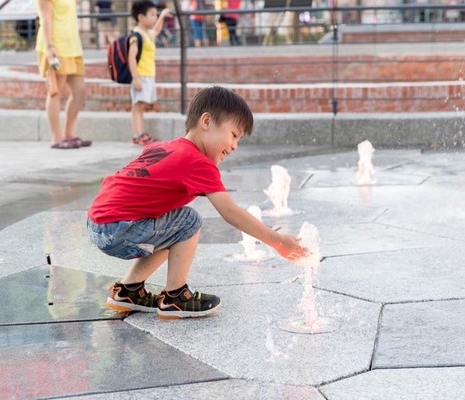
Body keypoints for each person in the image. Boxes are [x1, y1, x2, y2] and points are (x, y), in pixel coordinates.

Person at [87, 86, 308, 319]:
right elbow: (230, 212)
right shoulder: (197, 162)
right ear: (206, 122)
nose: (234, 146)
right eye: (233, 135)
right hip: (119, 228)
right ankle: (176, 297)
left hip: (98, 224)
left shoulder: (165, 147)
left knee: (173, 225)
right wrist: (277, 241)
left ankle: (129, 290)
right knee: (187, 221)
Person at [35, 0, 91, 149]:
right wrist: (49, 47)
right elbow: (46, 18)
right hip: (56, 46)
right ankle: (56, 138)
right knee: (55, 91)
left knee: (79, 90)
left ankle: (68, 134)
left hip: (73, 46)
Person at [128, 1, 172, 145]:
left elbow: (157, 30)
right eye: (152, 15)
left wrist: (163, 16)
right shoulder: (137, 35)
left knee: (141, 105)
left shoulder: (147, 33)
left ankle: (140, 133)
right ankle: (137, 135)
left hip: (148, 75)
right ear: (141, 17)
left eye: (155, 14)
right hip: (140, 75)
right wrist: (135, 78)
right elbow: (131, 57)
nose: (154, 17)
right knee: (137, 105)